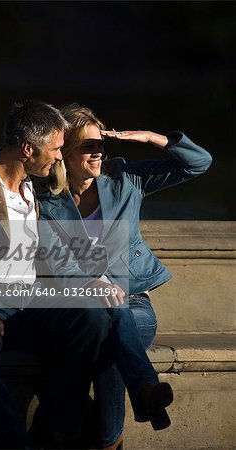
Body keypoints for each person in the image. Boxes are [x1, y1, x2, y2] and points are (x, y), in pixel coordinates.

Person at [0, 100, 114, 449]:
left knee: (91, 318)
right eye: (57, 149)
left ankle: (58, 427)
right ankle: (3, 440)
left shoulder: (35, 185)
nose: (61, 157)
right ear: (28, 149)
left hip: (30, 299)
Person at [36, 104, 213, 449]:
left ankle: (68, 431)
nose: (98, 151)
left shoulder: (125, 179)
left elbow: (199, 163)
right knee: (104, 325)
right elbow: (53, 260)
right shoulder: (44, 199)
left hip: (135, 306)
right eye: (88, 145)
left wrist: (151, 138)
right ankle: (127, 416)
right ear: (64, 152)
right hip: (80, 307)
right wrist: (91, 284)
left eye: (100, 143)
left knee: (112, 317)